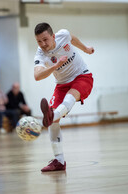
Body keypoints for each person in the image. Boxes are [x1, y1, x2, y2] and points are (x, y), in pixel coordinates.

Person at [34, 23, 94, 172]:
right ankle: (59, 161)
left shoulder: (63, 35)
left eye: (45, 40)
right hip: (61, 84)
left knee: (68, 99)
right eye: (39, 41)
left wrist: (85, 49)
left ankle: (52, 114)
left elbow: (72, 38)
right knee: (53, 123)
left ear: (53, 36)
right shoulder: (40, 54)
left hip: (82, 76)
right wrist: (55, 66)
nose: (43, 44)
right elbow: (37, 76)